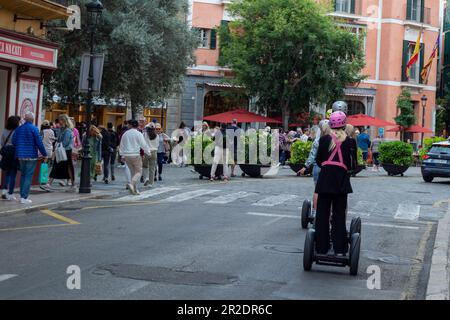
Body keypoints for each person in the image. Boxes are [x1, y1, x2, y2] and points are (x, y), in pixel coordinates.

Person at [315, 111, 357, 256]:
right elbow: (353, 165)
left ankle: (321, 247)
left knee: (322, 215)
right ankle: (340, 248)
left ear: (331, 124)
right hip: (341, 183)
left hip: (325, 181)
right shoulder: (351, 142)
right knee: (339, 216)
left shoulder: (324, 139)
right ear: (344, 124)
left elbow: (319, 161)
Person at [12, 112, 48, 204]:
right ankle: (24, 197)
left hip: (20, 156)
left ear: (25, 119)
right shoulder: (34, 128)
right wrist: (44, 154)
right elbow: (39, 143)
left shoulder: (19, 129)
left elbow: (13, 141)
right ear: (32, 120)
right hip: (31, 156)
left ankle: (21, 196)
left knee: (23, 175)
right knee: (28, 176)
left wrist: (20, 148)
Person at [299, 120, 331, 217]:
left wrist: (305, 167)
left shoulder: (317, 141)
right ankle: (330, 213)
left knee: (317, 190)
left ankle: (315, 212)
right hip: (329, 168)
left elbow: (312, 156)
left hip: (318, 167)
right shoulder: (333, 140)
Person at [119, 119, 151, 195]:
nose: (127, 125)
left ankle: (135, 190)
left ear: (130, 125)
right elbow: (143, 144)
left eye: (128, 124)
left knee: (133, 172)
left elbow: (122, 145)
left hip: (127, 156)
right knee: (139, 172)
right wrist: (148, 152)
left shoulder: (125, 133)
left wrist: (122, 155)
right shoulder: (138, 134)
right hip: (135, 155)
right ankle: (132, 184)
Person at [45, 114, 75, 189]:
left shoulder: (67, 131)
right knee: (56, 165)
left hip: (66, 151)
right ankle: (49, 183)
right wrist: (56, 139)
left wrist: (58, 143)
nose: (59, 122)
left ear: (64, 121)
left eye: (60, 120)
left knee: (68, 167)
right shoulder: (61, 129)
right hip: (61, 150)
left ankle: (72, 183)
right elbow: (60, 139)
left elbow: (65, 142)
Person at [1, 116, 20, 200]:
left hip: (6, 152)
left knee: (7, 173)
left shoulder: (4, 130)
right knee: (13, 174)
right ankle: (10, 193)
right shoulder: (17, 131)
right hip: (14, 152)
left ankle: (4, 191)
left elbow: (1, 142)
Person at [142, 122, 158, 187]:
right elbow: (157, 145)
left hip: (146, 152)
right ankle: (151, 183)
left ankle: (146, 178)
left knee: (144, 166)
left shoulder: (144, 134)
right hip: (154, 152)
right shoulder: (157, 136)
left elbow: (143, 143)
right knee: (152, 168)